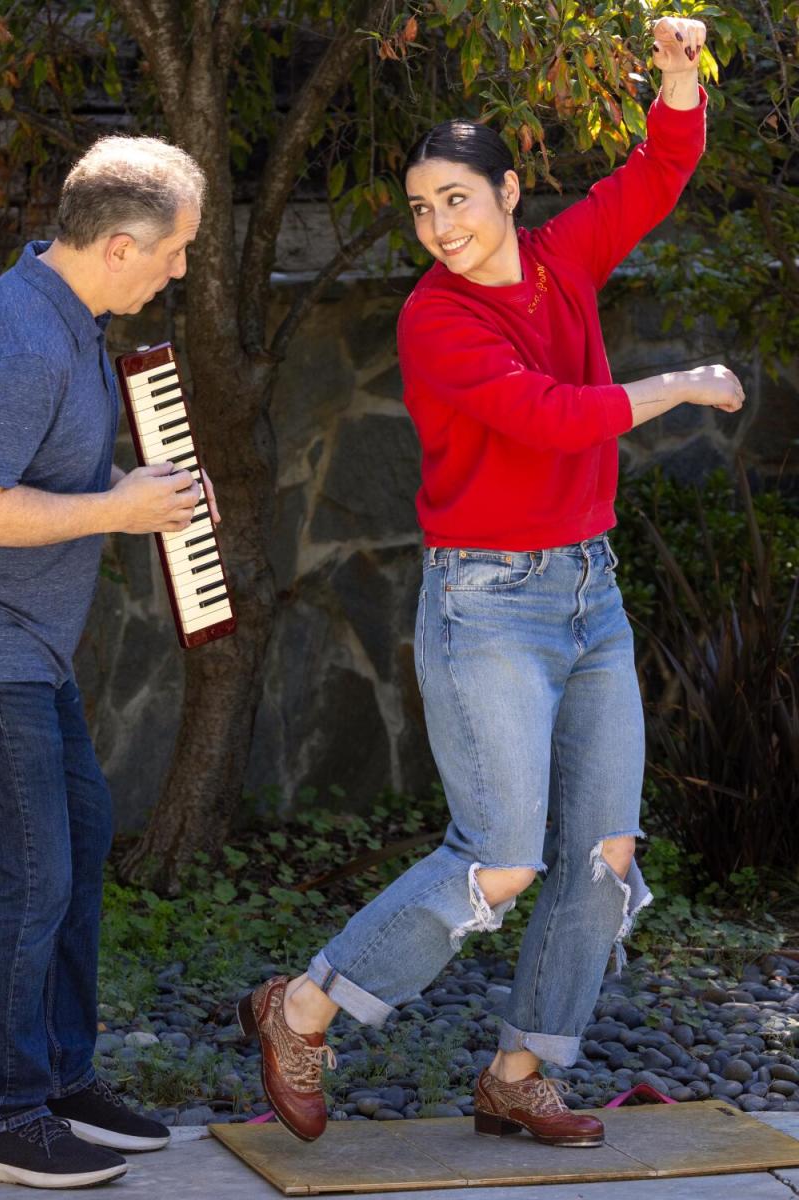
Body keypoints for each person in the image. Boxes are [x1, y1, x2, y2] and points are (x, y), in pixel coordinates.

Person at [236, 17, 744, 1147]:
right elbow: (547, 420)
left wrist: (673, 74)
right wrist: (679, 386)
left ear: (509, 193)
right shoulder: (435, 321)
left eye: (456, 199)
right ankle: (303, 1005)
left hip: (589, 597)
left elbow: (660, 169)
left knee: (605, 858)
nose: (438, 226)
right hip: (490, 608)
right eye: (421, 208)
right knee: (501, 861)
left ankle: (521, 1072)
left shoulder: (564, 259)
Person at [0, 135, 220, 1188]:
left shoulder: (64, 311)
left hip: (20, 644)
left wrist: (130, 484)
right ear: (120, 245)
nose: (182, 269)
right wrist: (119, 509)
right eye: (176, 251)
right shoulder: (30, 343)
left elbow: (35, 469)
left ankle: (60, 1080)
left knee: (76, 835)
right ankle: (3, 1119)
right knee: (28, 878)